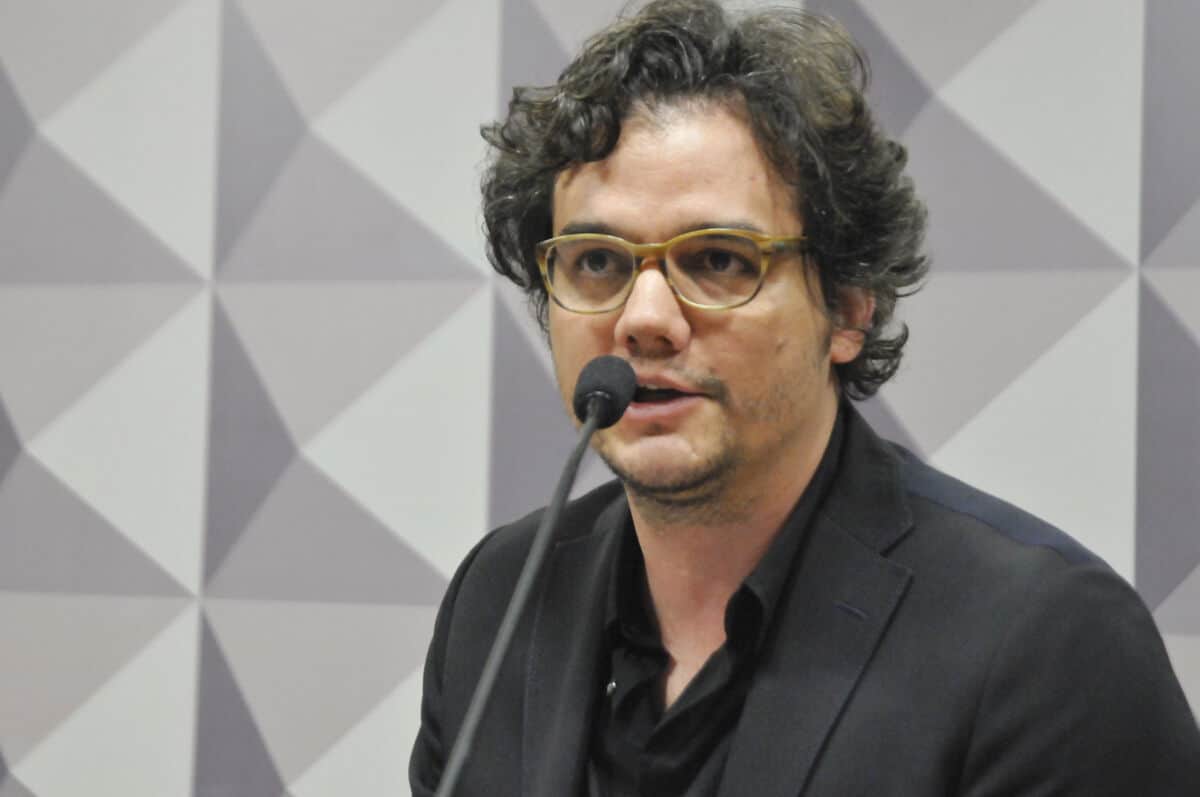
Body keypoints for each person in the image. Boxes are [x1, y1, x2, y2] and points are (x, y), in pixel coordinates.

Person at [410, 1, 1200, 794]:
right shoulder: (501, 599)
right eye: (596, 262)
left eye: (718, 259)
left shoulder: (1047, 644)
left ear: (848, 308)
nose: (644, 319)